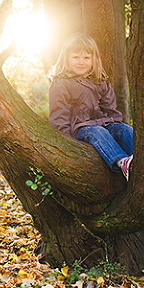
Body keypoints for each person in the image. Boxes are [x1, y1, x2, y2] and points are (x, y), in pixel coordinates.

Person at [48, 33, 133, 180]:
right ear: (66, 58)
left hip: (104, 124)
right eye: (76, 57)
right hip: (80, 128)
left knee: (125, 129)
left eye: (86, 58)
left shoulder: (100, 81)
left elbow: (110, 109)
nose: (81, 62)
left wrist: (115, 125)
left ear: (94, 60)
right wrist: (68, 142)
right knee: (97, 132)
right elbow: (59, 115)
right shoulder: (61, 83)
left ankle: (138, 161)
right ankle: (122, 162)